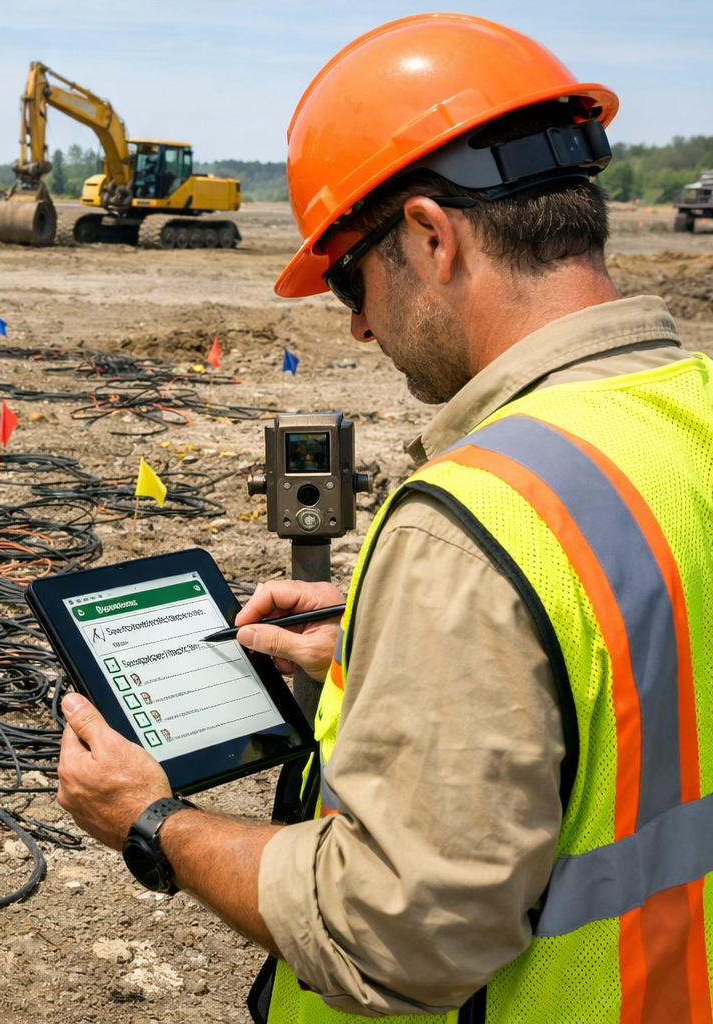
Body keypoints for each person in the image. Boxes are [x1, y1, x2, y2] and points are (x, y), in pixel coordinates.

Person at [55, 13, 713, 1023]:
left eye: (352, 279)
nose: (359, 321)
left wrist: (156, 823)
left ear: (431, 237)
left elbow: (398, 937)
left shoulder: (476, 518)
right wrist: (387, 654)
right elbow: (634, 682)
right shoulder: (692, 409)